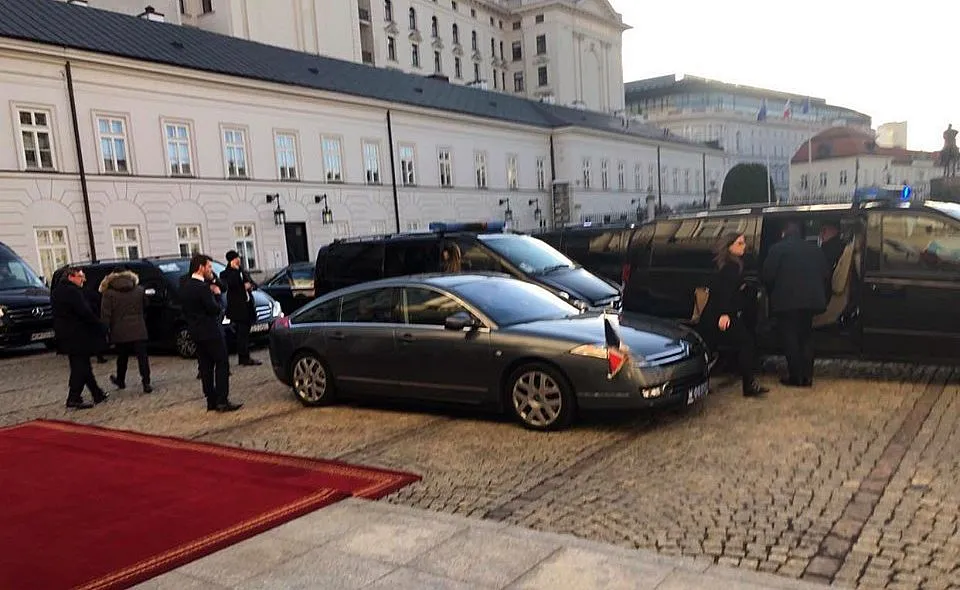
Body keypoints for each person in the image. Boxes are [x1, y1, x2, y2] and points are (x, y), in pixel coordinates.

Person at [699, 232, 768, 397]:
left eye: (743, 243)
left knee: (709, 349)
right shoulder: (731, 266)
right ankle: (748, 385)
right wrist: (724, 314)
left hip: (716, 314)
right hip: (721, 314)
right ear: (729, 246)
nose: (744, 246)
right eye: (739, 243)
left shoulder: (730, 264)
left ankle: (703, 384)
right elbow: (725, 292)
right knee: (746, 343)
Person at [762, 221, 830, 388]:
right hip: (811, 301)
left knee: (790, 338)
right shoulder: (815, 249)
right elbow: (826, 274)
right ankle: (807, 377)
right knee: (806, 337)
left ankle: (796, 377)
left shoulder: (776, 249)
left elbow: (767, 276)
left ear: (784, 233)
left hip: (786, 302)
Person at [182, 253, 241, 412]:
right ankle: (222, 400)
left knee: (206, 366)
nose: (211, 269)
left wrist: (215, 283)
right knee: (222, 363)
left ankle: (211, 400)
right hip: (211, 330)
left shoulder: (186, 286)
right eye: (209, 267)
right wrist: (217, 297)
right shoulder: (202, 288)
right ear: (201, 268)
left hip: (196, 332)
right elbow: (214, 309)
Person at [51, 267, 108, 409]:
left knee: (83, 365)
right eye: (80, 276)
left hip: (66, 334)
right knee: (79, 366)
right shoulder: (72, 292)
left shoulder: (58, 291)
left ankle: (97, 393)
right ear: (71, 277)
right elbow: (84, 311)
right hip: (77, 334)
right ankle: (73, 397)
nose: (83, 279)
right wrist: (100, 325)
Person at [99, 266, 152, 393]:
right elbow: (147, 305)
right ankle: (146, 382)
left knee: (122, 357)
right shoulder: (139, 290)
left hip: (119, 329)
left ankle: (121, 380)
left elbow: (106, 314)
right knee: (142, 357)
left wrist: (104, 330)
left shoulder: (108, 294)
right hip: (139, 327)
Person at [219, 250, 261, 366]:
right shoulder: (226, 273)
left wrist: (251, 286)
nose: (239, 261)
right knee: (241, 334)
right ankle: (243, 357)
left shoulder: (243, 271)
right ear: (231, 261)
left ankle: (246, 356)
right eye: (236, 259)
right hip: (237, 308)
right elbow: (230, 284)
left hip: (247, 306)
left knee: (246, 333)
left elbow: (253, 283)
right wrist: (236, 272)